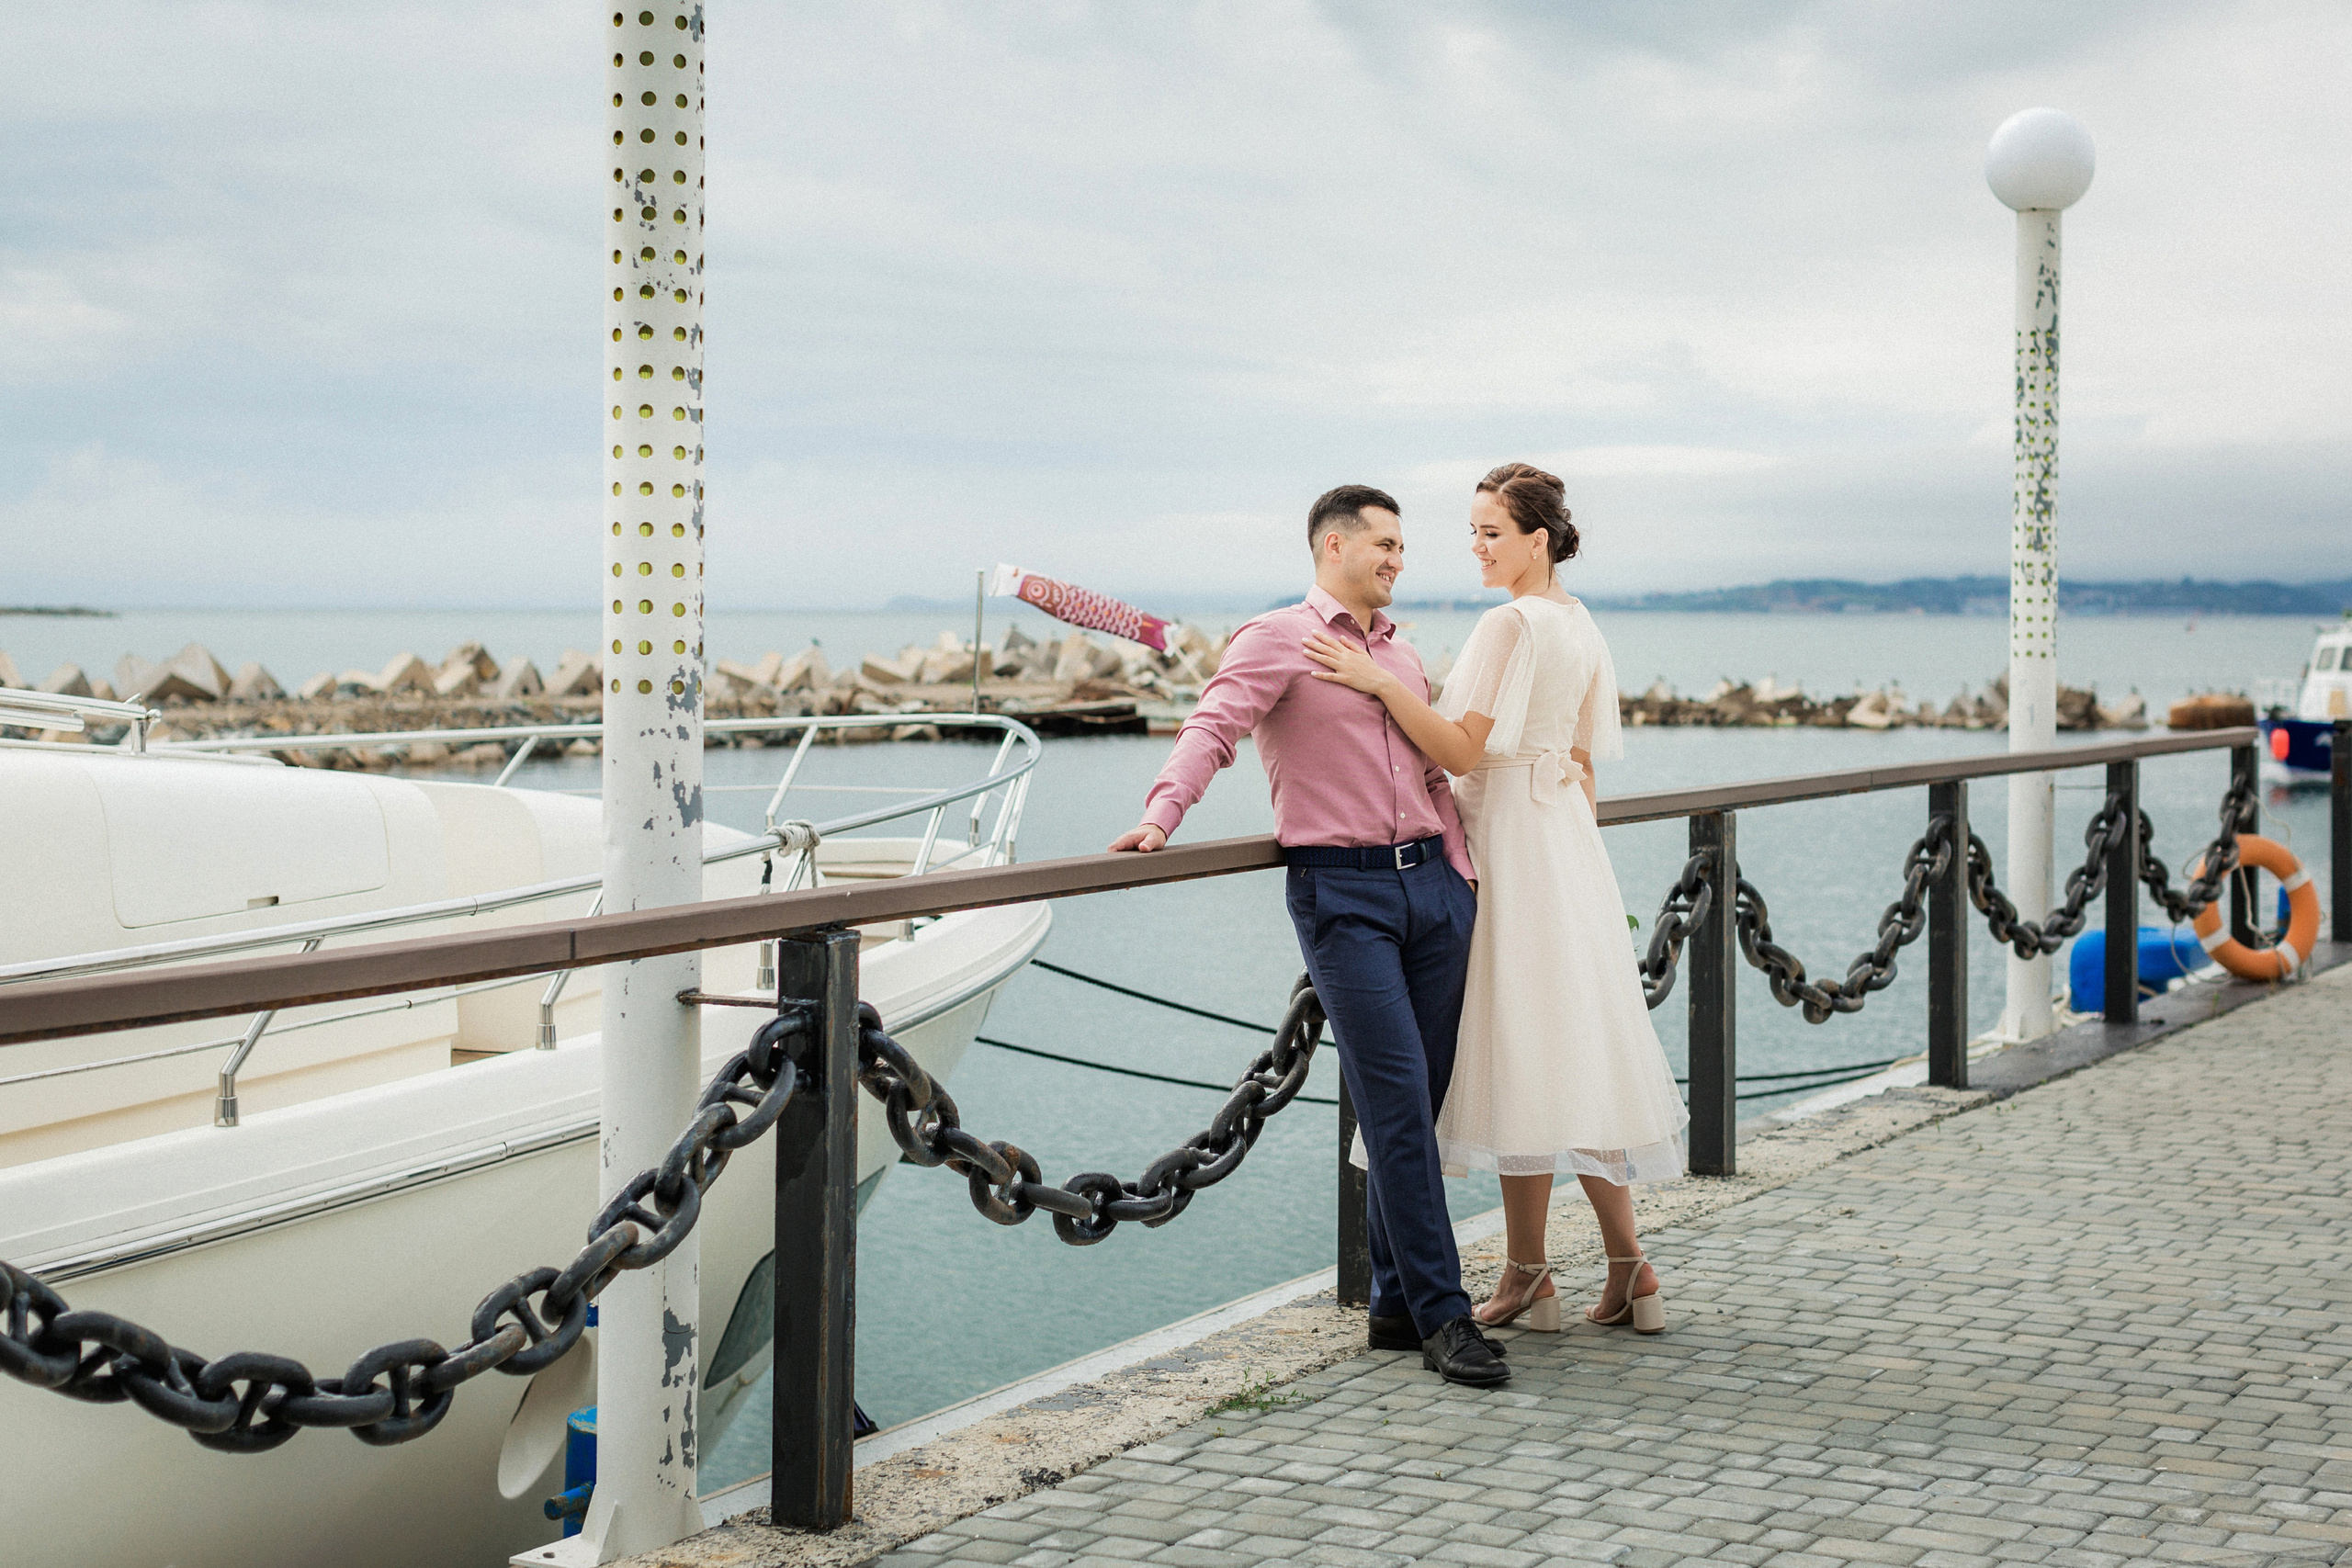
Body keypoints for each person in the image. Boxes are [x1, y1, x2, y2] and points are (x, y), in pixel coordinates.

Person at [1108, 484, 1509, 1389]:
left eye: (1402, 547)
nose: (1398, 560)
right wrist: (1162, 816)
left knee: (1411, 1109)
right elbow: (1212, 728)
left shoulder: (1400, 655)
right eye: (1385, 545)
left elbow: (1432, 771)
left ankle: (1394, 1305)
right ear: (1334, 545)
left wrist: (1461, 878)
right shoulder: (1274, 638)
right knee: (1396, 1104)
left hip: (1434, 893)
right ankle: (1446, 1316)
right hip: (1343, 896)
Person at [1301, 462, 1687, 1337]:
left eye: (1491, 533)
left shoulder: (1508, 623)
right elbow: (1583, 759)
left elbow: (1460, 751)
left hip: (1506, 840)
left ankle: (1531, 1275)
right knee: (1572, 1049)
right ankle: (1628, 1266)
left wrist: (1379, 683)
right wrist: (1574, 854)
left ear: (1536, 540)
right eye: (1471, 531)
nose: (1475, 547)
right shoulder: (1578, 622)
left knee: (1521, 1052)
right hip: (1565, 841)